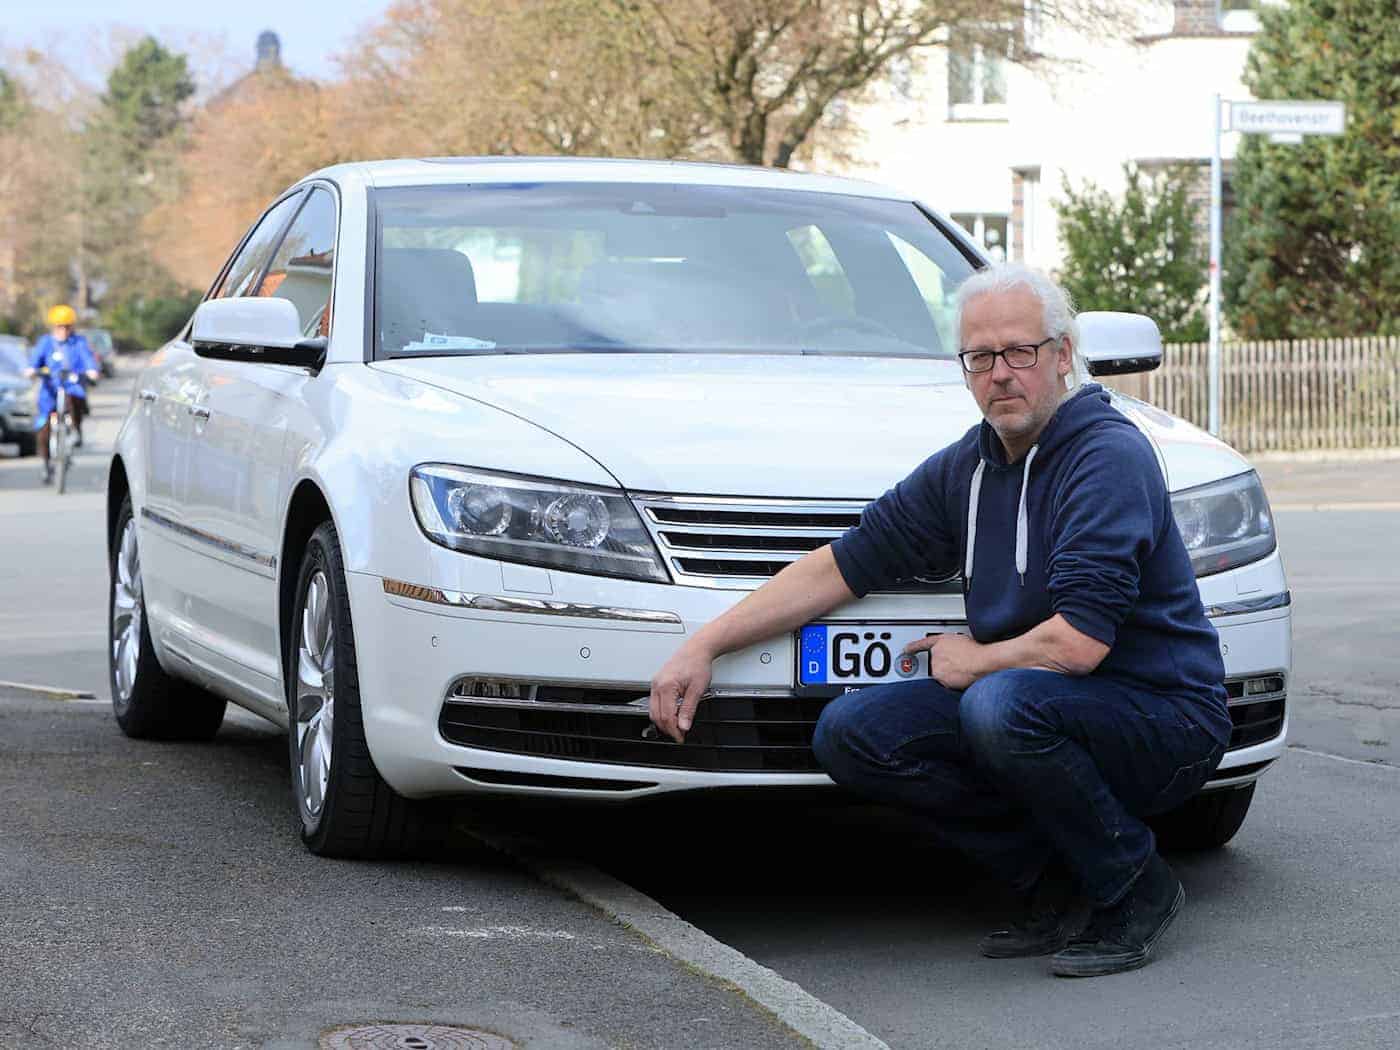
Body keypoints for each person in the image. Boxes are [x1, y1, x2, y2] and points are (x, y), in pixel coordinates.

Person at [647, 263, 1231, 979]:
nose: (1000, 375)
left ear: (1062, 356)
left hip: (1163, 718)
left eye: (1019, 352)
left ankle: (1136, 883)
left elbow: (1078, 643)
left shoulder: (1105, 455)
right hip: (1049, 706)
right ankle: (1053, 876)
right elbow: (841, 565)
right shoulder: (972, 465)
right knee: (854, 733)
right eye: (980, 358)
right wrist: (703, 643)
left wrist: (970, 660)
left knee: (998, 702)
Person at [25, 304, 99, 485]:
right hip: (50, 388)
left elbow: (88, 360)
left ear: (72, 326)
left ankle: (76, 431)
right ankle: (45, 463)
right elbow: (34, 362)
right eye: (60, 326)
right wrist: (31, 370)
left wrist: (91, 371)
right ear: (54, 326)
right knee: (43, 427)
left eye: (67, 326)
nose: (64, 330)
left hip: (72, 386)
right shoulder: (46, 342)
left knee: (76, 399)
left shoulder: (79, 342)